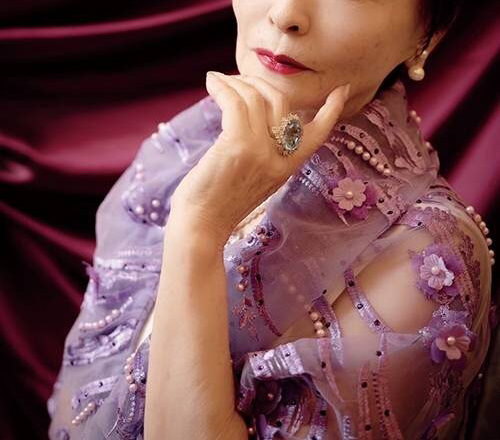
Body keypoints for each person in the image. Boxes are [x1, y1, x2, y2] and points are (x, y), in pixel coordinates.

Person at [47, 0, 495, 439]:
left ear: (427, 37)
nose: (285, 14)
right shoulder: (186, 148)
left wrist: (199, 231)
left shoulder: (428, 255)